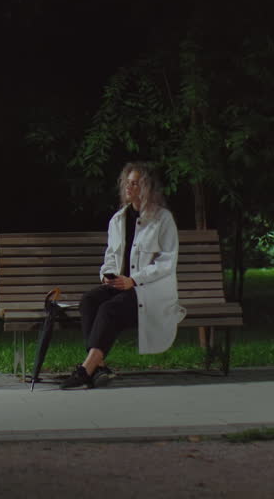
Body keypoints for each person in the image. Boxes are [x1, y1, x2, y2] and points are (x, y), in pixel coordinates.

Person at [61, 161, 186, 389]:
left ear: (147, 187)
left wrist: (134, 280)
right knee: (89, 301)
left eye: (135, 183)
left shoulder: (162, 219)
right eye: (127, 183)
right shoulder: (118, 219)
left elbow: (167, 262)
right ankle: (98, 367)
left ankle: (86, 370)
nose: (129, 187)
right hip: (121, 284)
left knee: (110, 309)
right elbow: (111, 254)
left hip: (148, 291)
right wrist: (106, 275)